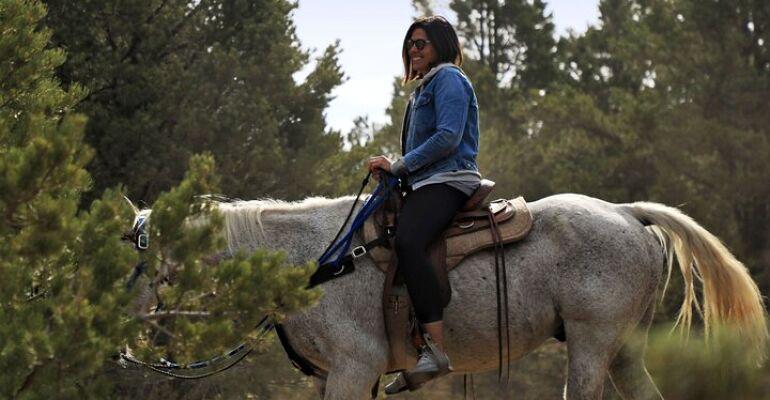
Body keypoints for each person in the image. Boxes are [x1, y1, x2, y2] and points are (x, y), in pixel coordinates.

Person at [367, 15, 481, 393]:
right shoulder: (423, 88)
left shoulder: (449, 79)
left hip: (449, 179)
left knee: (409, 241)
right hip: (425, 181)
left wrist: (399, 165)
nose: (412, 50)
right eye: (409, 44)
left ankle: (435, 348)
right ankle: (407, 347)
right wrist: (397, 173)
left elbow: (448, 137)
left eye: (421, 43)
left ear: (441, 46)